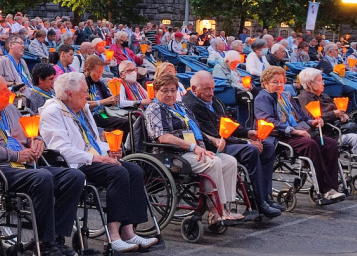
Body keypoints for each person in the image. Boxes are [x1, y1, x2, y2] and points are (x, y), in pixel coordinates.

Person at [0, 69, 84, 256]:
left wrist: (36, 142)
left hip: (26, 164)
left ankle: (56, 238)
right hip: (0, 169)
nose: (9, 93)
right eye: (2, 91)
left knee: (74, 176)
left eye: (6, 88)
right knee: (42, 177)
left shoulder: (10, 108)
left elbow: (28, 135)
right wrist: (14, 155)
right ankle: (45, 243)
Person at [39, 72, 158, 252]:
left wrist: (109, 151)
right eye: (84, 92)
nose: (88, 96)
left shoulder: (83, 108)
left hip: (92, 158)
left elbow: (93, 140)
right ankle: (112, 235)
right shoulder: (53, 111)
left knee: (134, 170)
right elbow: (61, 150)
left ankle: (128, 230)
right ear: (69, 94)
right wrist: (97, 157)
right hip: (75, 163)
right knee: (118, 173)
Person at [144, 73, 240, 223]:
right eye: (165, 90)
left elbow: (196, 129)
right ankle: (214, 211)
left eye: (173, 90)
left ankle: (225, 208)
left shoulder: (181, 106)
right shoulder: (155, 108)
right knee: (213, 162)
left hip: (193, 150)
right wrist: (194, 147)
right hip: (172, 154)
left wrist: (213, 139)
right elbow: (164, 137)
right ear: (156, 92)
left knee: (229, 161)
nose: (170, 94)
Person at [183, 71, 282, 217]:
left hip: (224, 140)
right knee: (251, 151)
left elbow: (227, 123)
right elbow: (216, 133)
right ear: (194, 89)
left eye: (212, 88)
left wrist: (248, 132)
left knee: (266, 146)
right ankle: (259, 203)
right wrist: (247, 142)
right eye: (206, 89)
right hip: (212, 145)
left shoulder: (213, 100)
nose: (211, 93)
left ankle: (266, 195)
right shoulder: (192, 105)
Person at [254, 66, 345, 202]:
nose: (279, 85)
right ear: (265, 83)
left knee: (330, 144)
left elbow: (302, 116)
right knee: (310, 145)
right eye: (275, 82)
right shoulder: (263, 98)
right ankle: (324, 189)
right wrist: (294, 130)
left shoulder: (286, 96)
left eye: (281, 81)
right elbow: (269, 121)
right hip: (280, 135)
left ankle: (333, 186)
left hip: (299, 131)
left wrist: (312, 122)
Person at [296, 68, 357, 186]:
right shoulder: (305, 98)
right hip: (327, 133)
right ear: (309, 84)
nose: (323, 83)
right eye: (320, 80)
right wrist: (334, 114)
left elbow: (336, 110)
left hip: (339, 128)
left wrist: (342, 115)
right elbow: (311, 118)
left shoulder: (323, 95)